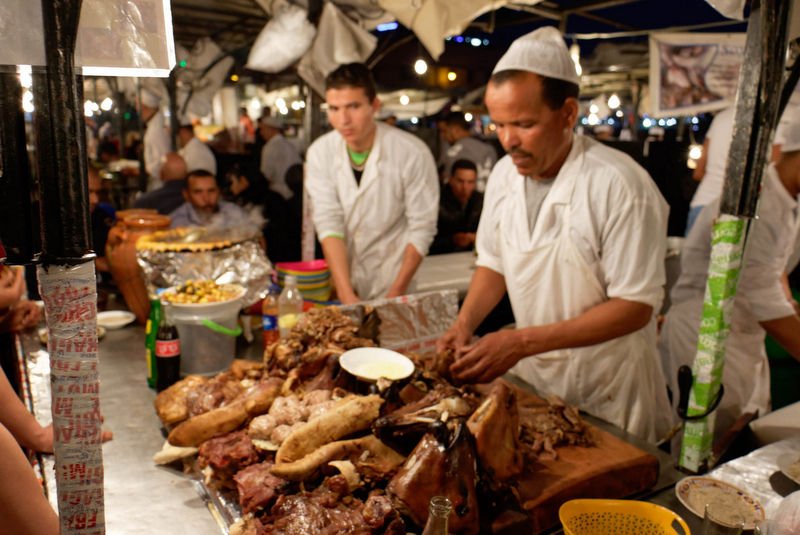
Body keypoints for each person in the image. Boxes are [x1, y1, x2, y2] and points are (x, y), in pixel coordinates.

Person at [437, 26, 672, 443]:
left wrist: (521, 341)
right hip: (540, 380)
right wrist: (464, 322)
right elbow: (494, 263)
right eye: (500, 126)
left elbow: (636, 305)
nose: (509, 141)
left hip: (609, 386)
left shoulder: (620, 185)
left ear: (568, 113)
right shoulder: (507, 176)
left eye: (525, 124)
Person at [659, 119, 800, 441]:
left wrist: (788, 300)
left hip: (741, 331)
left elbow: (770, 265)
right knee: (699, 441)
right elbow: (762, 294)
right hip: (704, 332)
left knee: (733, 430)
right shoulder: (754, 203)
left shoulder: (787, 201)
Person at [305, 63, 439, 303]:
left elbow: (422, 228)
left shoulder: (411, 152)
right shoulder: (319, 153)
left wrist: (397, 291)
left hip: (395, 278)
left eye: (353, 107)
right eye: (334, 109)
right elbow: (328, 222)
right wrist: (345, 292)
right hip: (346, 278)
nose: (343, 120)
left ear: (375, 106)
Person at [686, 106, 734, 234]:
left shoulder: (721, 117)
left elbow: (698, 172)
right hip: (732, 212)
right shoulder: (780, 118)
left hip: (702, 204)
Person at [431, 159, 484, 254]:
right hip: (439, 256)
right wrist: (452, 240)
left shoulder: (481, 201)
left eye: (470, 182)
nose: (465, 187)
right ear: (451, 180)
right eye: (460, 181)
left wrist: (478, 237)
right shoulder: (435, 201)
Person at [169, 169, 251, 229]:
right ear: (186, 195)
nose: (206, 198)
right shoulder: (176, 221)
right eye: (198, 192)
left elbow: (257, 238)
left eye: (211, 191)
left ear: (218, 192)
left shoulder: (233, 211)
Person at [439, 111, 497, 191]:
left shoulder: (453, 152)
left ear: (455, 130)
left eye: (444, 131)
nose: (443, 136)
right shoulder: (489, 148)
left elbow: (447, 183)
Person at [258, 117, 303, 201]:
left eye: (263, 129)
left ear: (272, 129)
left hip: (277, 195)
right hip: (293, 194)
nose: (261, 133)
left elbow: (266, 174)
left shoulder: (269, 147)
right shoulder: (289, 145)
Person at [140, 88, 171, 191]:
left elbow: (163, 160)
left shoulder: (157, 130)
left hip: (160, 185)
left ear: (144, 106)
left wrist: (147, 169)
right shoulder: (154, 125)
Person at [88, 165, 114, 276]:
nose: (95, 200)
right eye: (89, 192)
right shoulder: (40, 222)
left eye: (97, 193)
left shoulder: (101, 216)